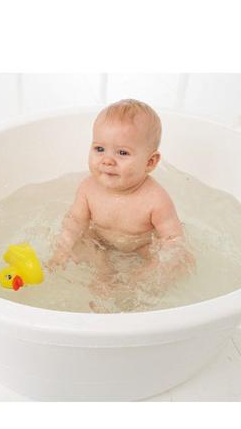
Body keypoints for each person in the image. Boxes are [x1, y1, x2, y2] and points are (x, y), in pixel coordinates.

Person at [47, 99, 195, 311]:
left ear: (150, 162)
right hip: (100, 240)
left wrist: (155, 268)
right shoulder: (88, 188)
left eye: (122, 153)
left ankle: (135, 287)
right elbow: (75, 222)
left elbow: (173, 238)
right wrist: (63, 247)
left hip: (142, 245)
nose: (107, 160)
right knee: (84, 243)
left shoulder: (155, 199)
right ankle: (102, 277)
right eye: (99, 149)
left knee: (176, 261)